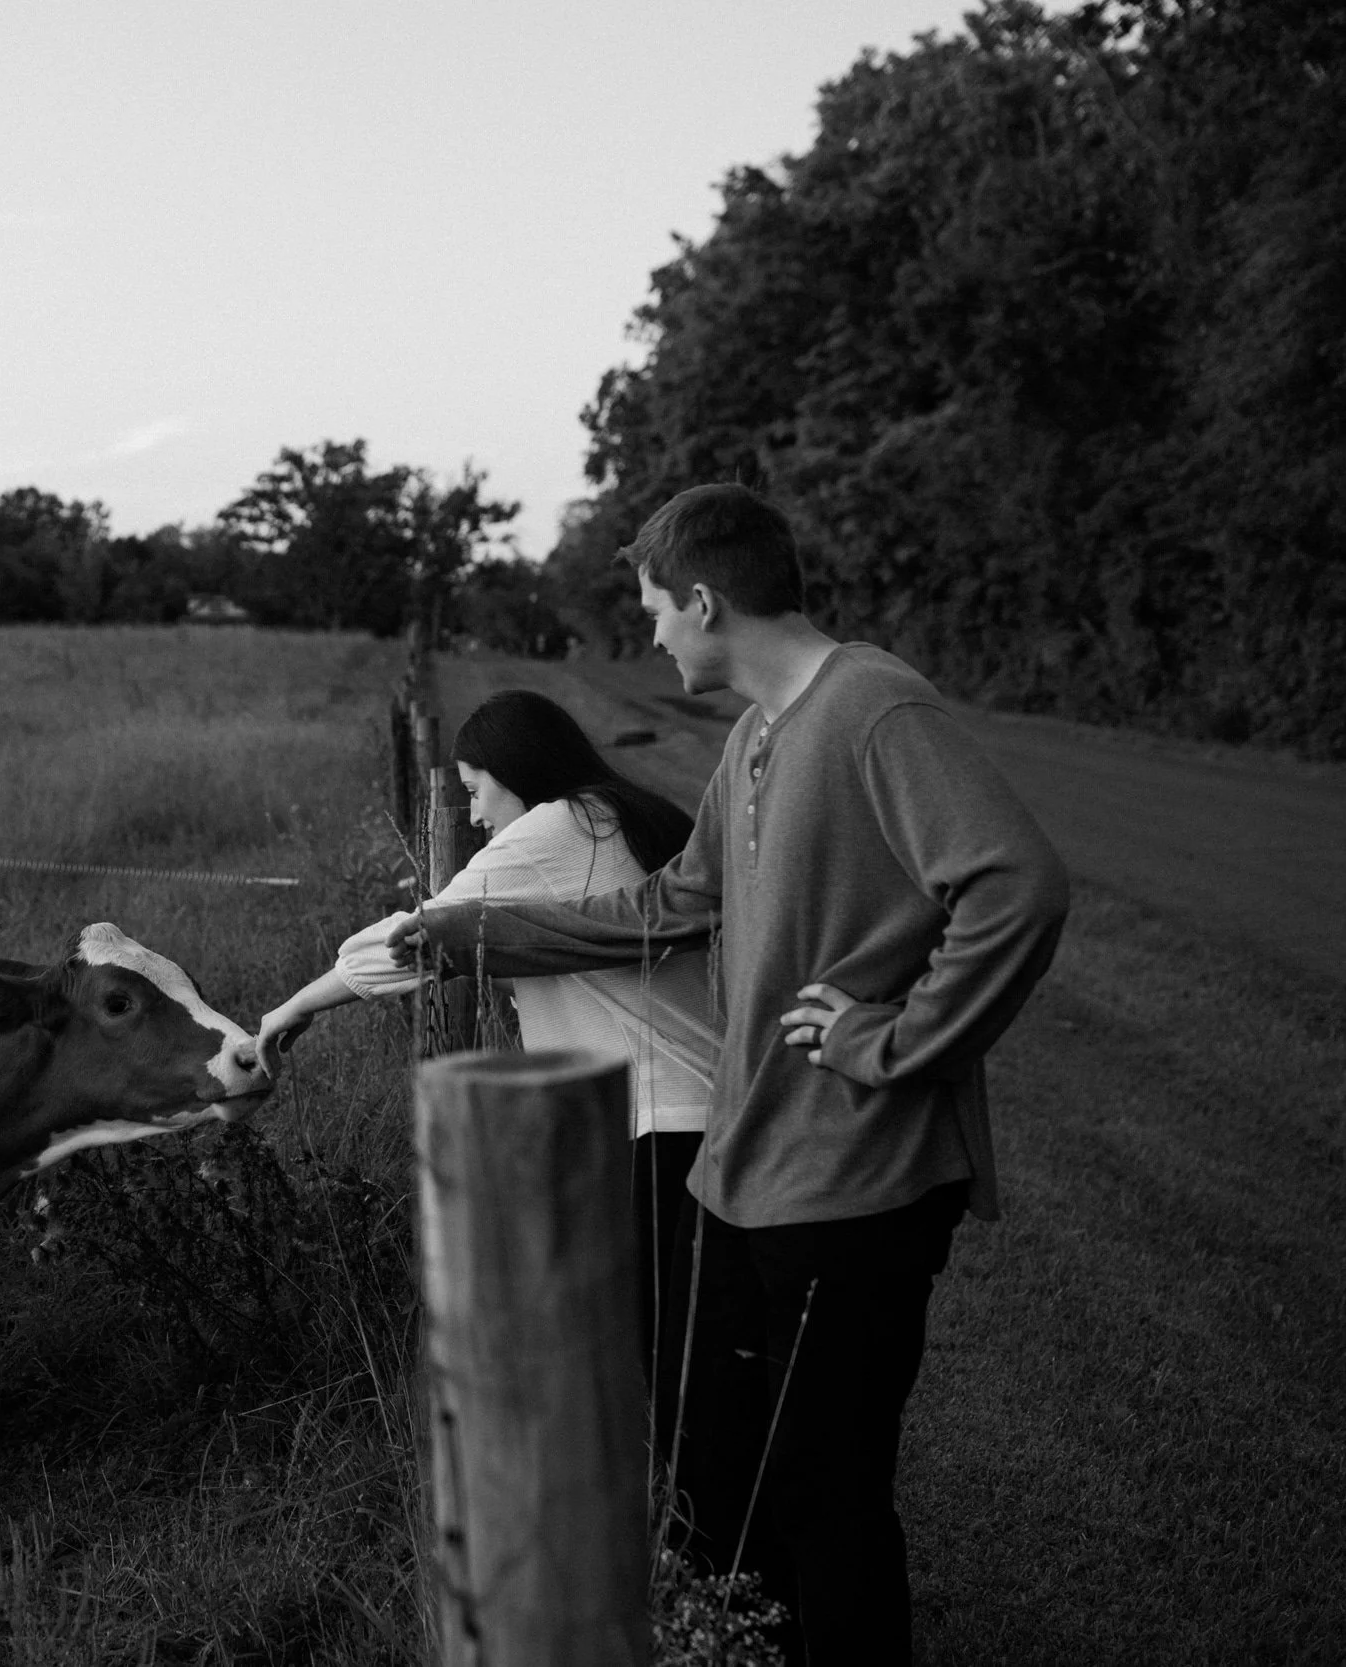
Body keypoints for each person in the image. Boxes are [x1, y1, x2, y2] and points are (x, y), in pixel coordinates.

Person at [390, 483, 1069, 1665]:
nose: (651, 634)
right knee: (726, 1471)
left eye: (654, 609)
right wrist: (470, 932)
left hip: (856, 1171)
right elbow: (670, 904)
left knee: (825, 1493)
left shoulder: (872, 707)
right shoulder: (757, 734)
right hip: (748, 1168)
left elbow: (1016, 885)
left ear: (704, 600)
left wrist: (889, 1040)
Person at [256, 687, 721, 1382]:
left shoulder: (562, 827)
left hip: (652, 1124)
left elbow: (417, 937)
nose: (473, 816)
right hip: (702, 1113)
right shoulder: (628, 816)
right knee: (684, 1351)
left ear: (517, 768)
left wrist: (296, 1007)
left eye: (476, 791)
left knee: (647, 1358)